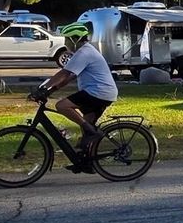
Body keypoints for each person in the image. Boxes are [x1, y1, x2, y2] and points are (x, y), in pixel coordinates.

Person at [31, 23, 118, 156]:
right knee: (86, 131)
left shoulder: (84, 53)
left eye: (67, 39)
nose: (65, 43)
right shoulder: (85, 51)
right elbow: (70, 77)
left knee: (61, 106)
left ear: (75, 39)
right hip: (103, 93)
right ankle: (88, 161)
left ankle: (90, 133)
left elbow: (64, 74)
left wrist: (42, 88)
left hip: (98, 92)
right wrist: (51, 90)